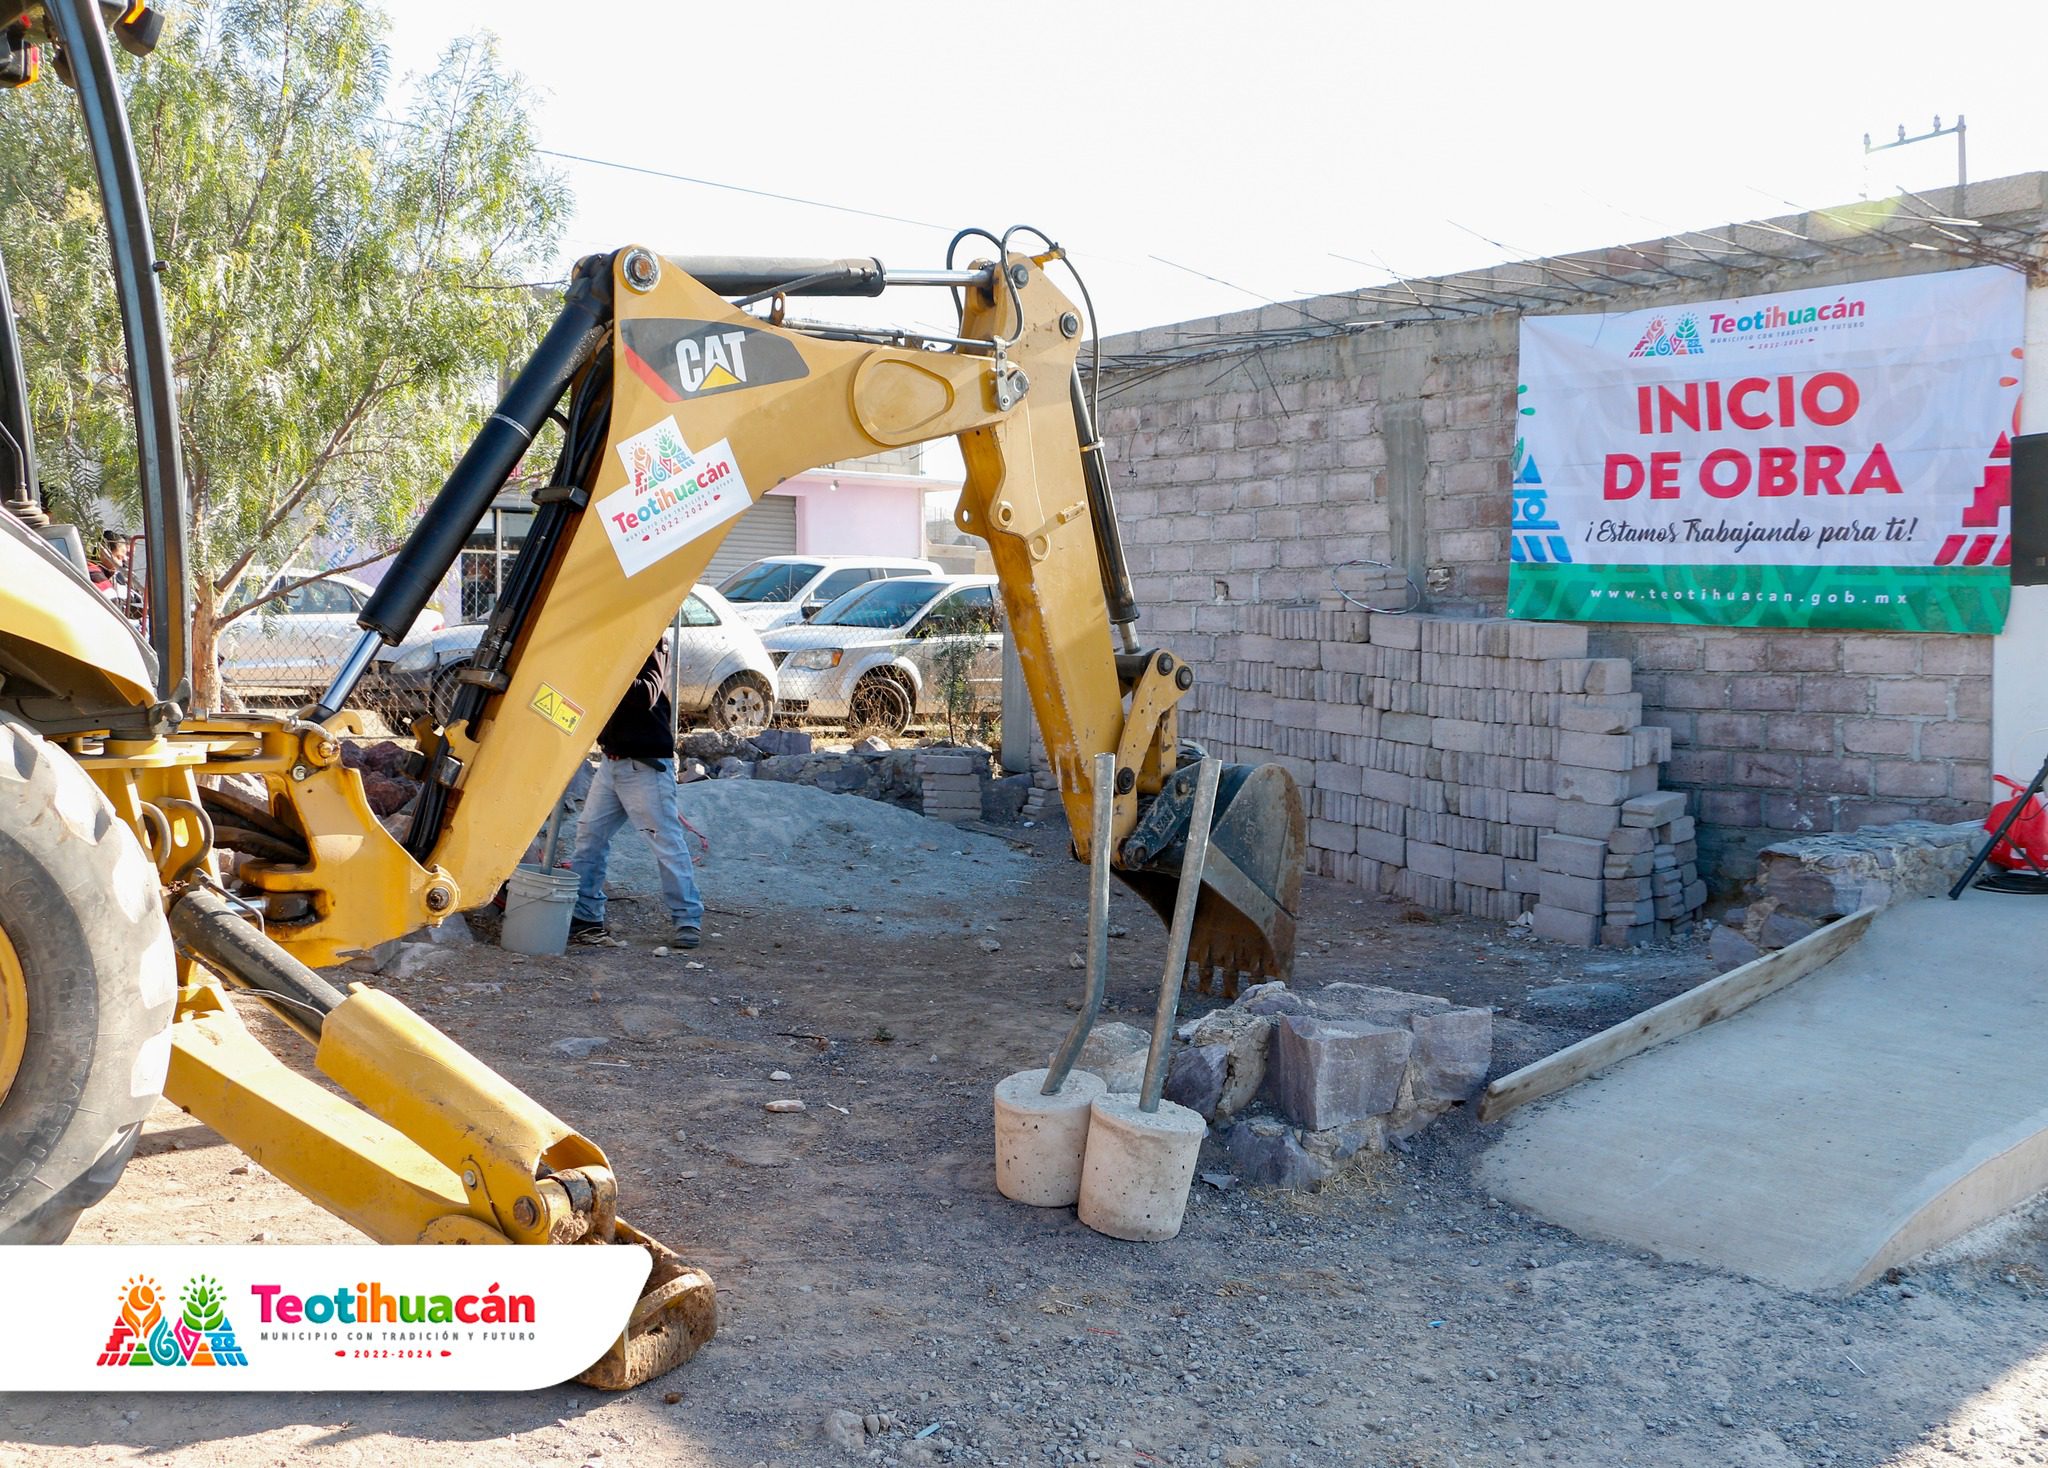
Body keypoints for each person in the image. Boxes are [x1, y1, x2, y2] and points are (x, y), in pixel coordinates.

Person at [567, 639, 704, 949]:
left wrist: (603, 674)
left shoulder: (649, 639)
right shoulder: (611, 642)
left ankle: (687, 919)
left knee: (665, 842)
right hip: (612, 762)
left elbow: (647, 693)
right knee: (590, 837)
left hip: (645, 765)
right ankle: (585, 916)